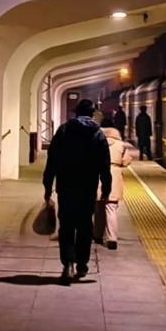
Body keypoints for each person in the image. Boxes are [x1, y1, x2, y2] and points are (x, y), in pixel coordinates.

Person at [42, 98, 111, 283]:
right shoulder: (98, 134)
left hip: (66, 187)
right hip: (87, 188)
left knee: (66, 226)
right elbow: (105, 164)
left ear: (76, 112)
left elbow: (52, 160)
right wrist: (106, 188)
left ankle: (68, 264)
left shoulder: (64, 130)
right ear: (92, 114)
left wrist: (47, 186)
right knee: (85, 226)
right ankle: (81, 264)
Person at [97, 108, 131, 249]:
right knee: (111, 208)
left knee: (98, 206)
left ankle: (97, 235)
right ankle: (112, 239)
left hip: (98, 174)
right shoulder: (120, 144)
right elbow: (126, 161)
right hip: (114, 175)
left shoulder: (96, 141)